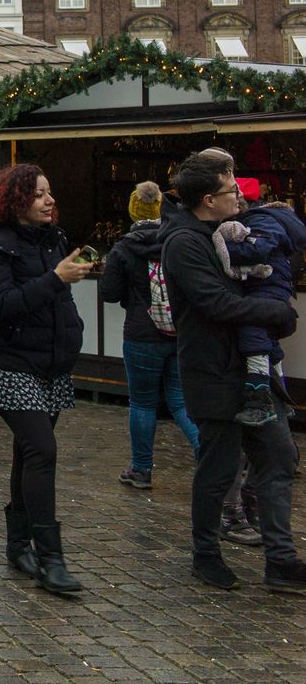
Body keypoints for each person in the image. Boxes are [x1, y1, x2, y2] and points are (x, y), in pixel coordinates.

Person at [161, 151, 306, 593]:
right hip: (213, 373)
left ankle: (281, 561)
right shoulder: (184, 242)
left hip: (249, 371)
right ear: (209, 199)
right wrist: (275, 311)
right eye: (231, 191)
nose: (239, 197)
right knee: (219, 468)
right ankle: (205, 554)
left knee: (279, 457)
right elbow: (216, 304)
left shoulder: (221, 233)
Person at [0, 163, 89, 596]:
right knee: (42, 449)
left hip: (49, 363)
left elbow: (55, 300)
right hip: (7, 361)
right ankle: (50, 559)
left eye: (50, 192)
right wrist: (55, 280)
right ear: (15, 200)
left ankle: (18, 545)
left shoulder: (53, 239)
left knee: (27, 452)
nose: (50, 200)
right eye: (39, 194)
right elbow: (1, 303)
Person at [100, 181, 199, 491]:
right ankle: (207, 451)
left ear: (133, 209)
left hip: (141, 335)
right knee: (181, 402)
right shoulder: (178, 239)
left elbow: (109, 293)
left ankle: (141, 469)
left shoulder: (124, 247)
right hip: (179, 333)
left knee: (142, 404)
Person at [210, 176, 306, 427]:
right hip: (270, 286)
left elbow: (257, 249)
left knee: (253, 334)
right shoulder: (262, 220)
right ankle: (280, 398)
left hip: (267, 286)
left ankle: (259, 398)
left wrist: (220, 252)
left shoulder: (262, 221)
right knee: (268, 342)